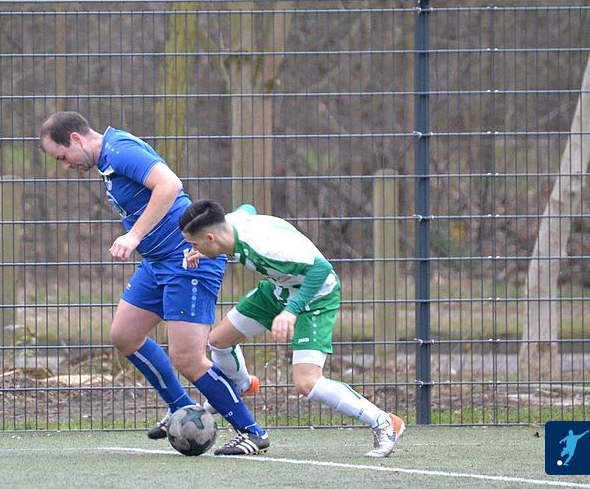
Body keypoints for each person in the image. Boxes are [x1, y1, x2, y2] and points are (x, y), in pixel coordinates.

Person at [39, 111, 269, 455]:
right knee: (124, 334)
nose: (65, 166)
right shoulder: (107, 161)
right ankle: (180, 407)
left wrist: (134, 235)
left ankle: (252, 432)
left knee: (187, 358)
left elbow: (169, 185)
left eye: (62, 157)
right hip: (158, 262)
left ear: (75, 138)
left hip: (187, 259)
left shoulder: (120, 150)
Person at [178, 199, 406, 458]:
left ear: (210, 238)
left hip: (314, 298)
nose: (193, 249)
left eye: (194, 244)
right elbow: (248, 208)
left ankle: (384, 422)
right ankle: (240, 385)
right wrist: (205, 251)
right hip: (279, 290)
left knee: (307, 383)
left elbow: (322, 269)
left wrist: (291, 311)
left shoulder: (267, 248)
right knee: (219, 341)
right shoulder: (230, 225)